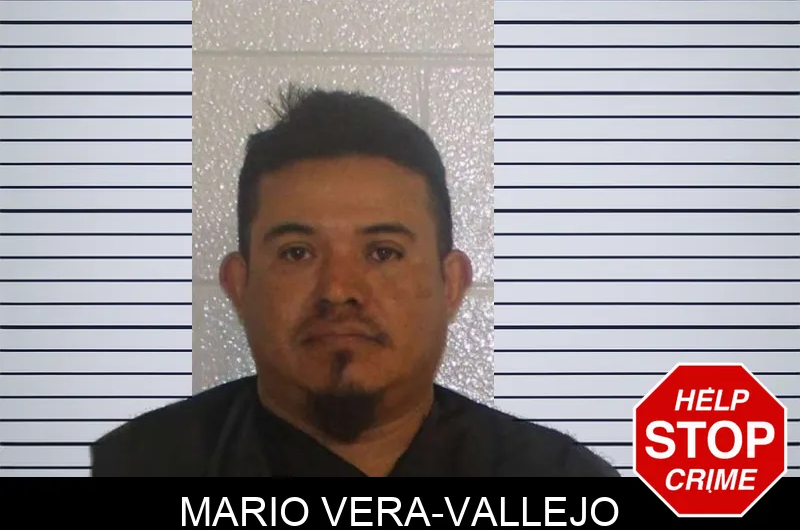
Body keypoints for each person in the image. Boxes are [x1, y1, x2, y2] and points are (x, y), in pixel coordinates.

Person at [91, 85, 619, 477]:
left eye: (383, 252)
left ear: (451, 284)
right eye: (297, 252)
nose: (338, 289)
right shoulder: (129, 468)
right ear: (239, 285)